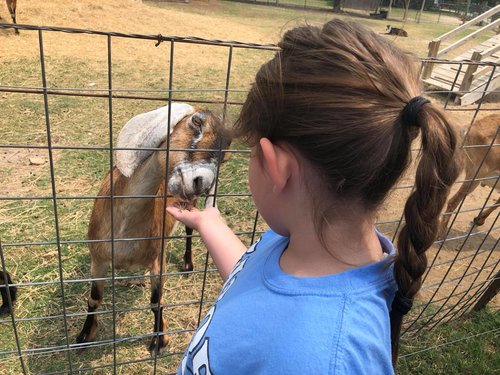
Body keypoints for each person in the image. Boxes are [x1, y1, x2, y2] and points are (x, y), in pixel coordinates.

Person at [167, 19, 460, 374]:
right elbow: (260, 285)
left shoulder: (325, 361)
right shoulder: (300, 241)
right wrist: (209, 224)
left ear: (277, 168)